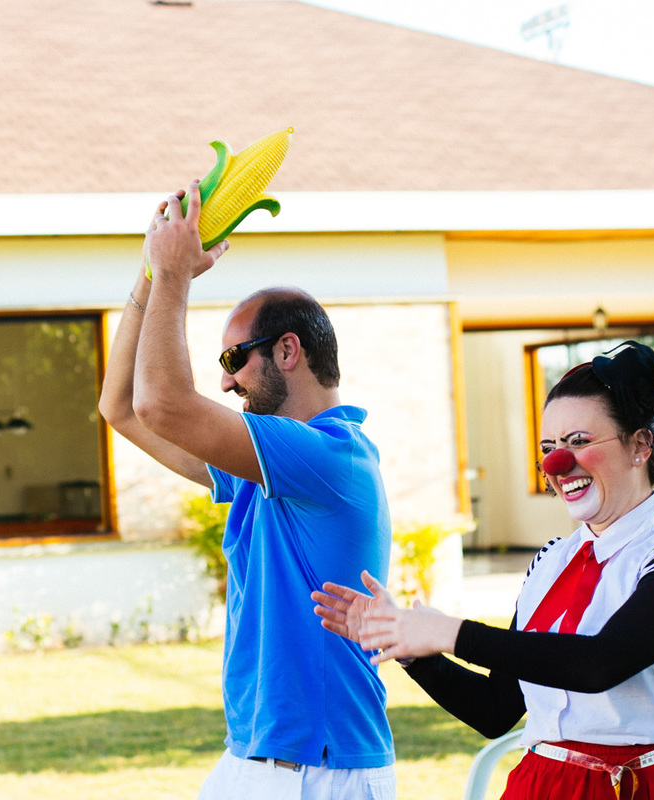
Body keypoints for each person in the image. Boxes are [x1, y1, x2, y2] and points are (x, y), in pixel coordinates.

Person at [313, 341, 654, 799]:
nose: (557, 463)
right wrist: (410, 646)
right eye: (549, 447)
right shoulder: (549, 561)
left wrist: (448, 632)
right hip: (544, 785)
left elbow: (600, 663)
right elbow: (497, 709)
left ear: (639, 445)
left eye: (579, 442)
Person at [98, 181, 397, 800]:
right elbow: (121, 406)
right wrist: (152, 274)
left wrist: (175, 275)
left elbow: (161, 404)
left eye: (234, 358)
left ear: (288, 350)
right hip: (253, 757)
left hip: (320, 770)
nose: (227, 382)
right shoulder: (261, 469)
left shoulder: (328, 456)